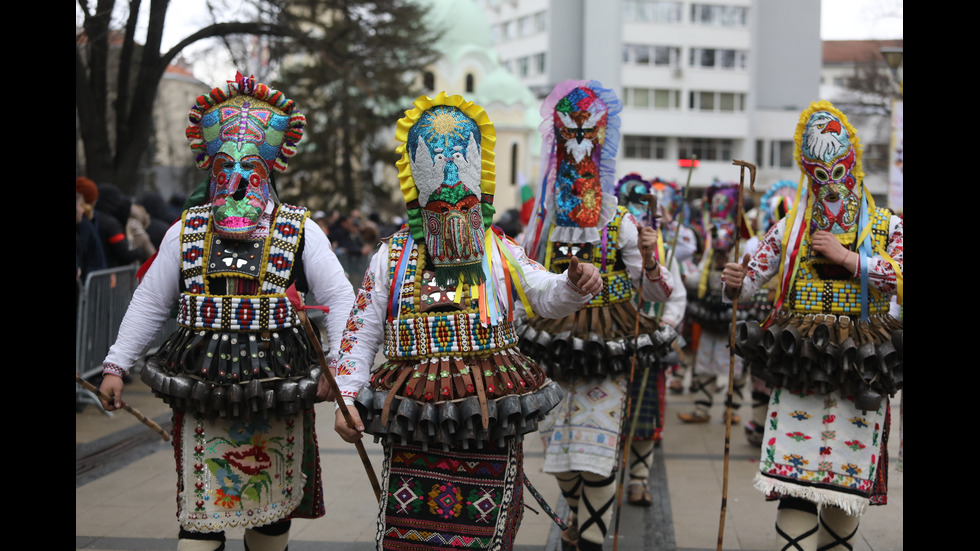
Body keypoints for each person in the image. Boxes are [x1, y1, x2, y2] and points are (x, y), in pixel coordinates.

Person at [332, 92, 601, 551]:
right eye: (440, 207)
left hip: (487, 410)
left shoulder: (501, 248)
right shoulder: (391, 255)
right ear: (418, 196)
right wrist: (348, 397)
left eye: (464, 205)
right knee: (412, 534)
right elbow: (361, 330)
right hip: (413, 414)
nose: (453, 203)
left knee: (487, 536)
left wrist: (575, 283)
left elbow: (543, 293)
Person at [99, 73, 355, 551]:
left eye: (249, 166)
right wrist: (116, 363)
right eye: (225, 166)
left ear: (268, 168)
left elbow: (341, 298)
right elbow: (151, 301)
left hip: (279, 388)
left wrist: (340, 370)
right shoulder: (185, 230)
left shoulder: (301, 230)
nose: (236, 177)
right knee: (201, 511)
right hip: (202, 388)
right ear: (210, 169)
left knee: (271, 509)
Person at [724, 101, 902, 551]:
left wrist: (849, 259)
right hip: (800, 358)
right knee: (795, 478)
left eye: (838, 170)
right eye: (820, 175)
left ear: (853, 162)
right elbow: (749, 286)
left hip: (860, 363)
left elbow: (900, 276)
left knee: (844, 485)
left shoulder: (887, 226)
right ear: (808, 173)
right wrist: (735, 283)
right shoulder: (790, 228)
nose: (832, 186)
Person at [520, 81, 676, 551]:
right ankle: (578, 515)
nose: (578, 154)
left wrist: (649, 259)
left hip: (608, 346)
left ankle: (587, 540)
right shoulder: (543, 221)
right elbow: (524, 279)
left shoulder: (621, 221)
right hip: (553, 344)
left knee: (596, 450)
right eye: (569, 141)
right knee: (559, 455)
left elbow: (653, 291)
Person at [612, 174, 688, 507]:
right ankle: (605, 481)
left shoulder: (665, 252)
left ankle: (639, 480)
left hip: (650, 343)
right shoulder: (608, 249)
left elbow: (677, 297)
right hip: (612, 342)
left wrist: (664, 328)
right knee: (612, 414)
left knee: (645, 416)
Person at [678, 181, 754, 424]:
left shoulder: (746, 250)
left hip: (736, 318)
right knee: (705, 366)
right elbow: (698, 278)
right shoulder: (710, 254)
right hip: (711, 317)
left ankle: (732, 411)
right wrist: (683, 278)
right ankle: (702, 410)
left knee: (737, 368)